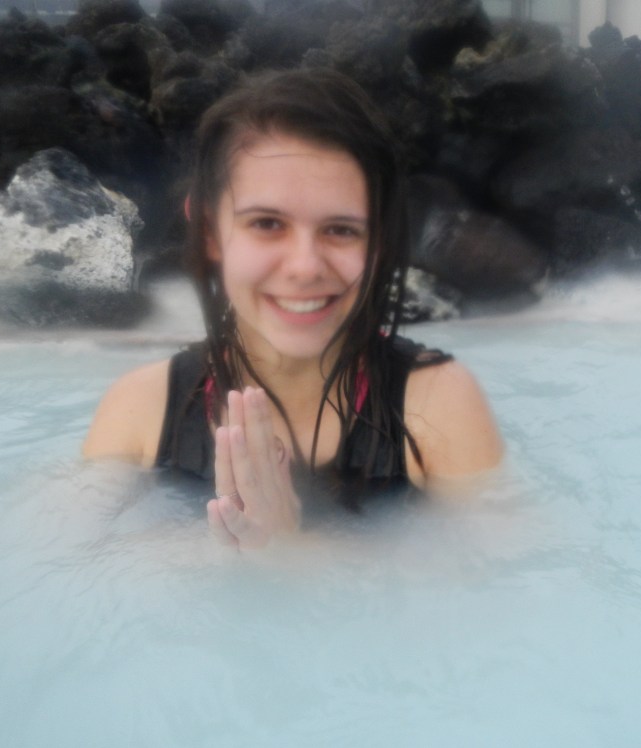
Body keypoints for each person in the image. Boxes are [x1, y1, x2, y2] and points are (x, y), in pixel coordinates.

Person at [83, 68, 503, 547]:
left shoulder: (435, 404)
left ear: (379, 238)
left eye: (341, 229)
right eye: (266, 223)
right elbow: (62, 564)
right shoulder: (142, 408)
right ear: (207, 229)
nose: (305, 267)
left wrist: (287, 552)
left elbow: (497, 579)